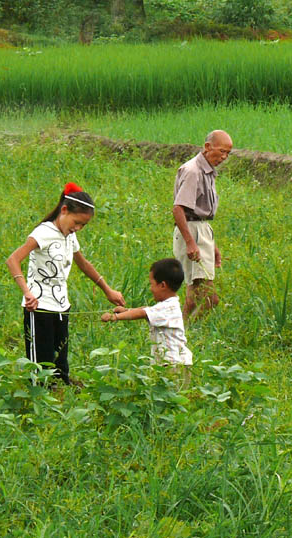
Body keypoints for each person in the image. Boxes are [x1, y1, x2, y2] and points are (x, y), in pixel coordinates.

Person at [6, 182, 125, 385]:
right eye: (76, 222)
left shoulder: (70, 236)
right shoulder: (43, 233)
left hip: (62, 307)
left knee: (60, 363)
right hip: (40, 309)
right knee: (40, 367)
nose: (77, 228)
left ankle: (60, 397)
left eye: (83, 226)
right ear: (64, 210)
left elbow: (84, 264)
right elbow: (13, 260)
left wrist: (107, 290)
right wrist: (27, 293)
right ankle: (39, 403)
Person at [101, 258, 192, 388]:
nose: (150, 289)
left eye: (151, 284)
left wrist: (115, 317)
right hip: (172, 363)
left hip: (173, 365)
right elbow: (146, 310)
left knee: (170, 397)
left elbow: (142, 313)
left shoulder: (167, 308)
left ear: (163, 285)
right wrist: (127, 310)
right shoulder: (168, 305)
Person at [172, 130, 233, 320]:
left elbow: (201, 215)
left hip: (201, 230)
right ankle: (186, 331)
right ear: (207, 147)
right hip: (192, 231)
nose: (224, 157)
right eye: (221, 151)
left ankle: (181, 331)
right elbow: (178, 209)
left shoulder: (207, 172)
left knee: (192, 296)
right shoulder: (193, 172)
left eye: (227, 154)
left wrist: (211, 245)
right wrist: (191, 243)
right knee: (209, 299)